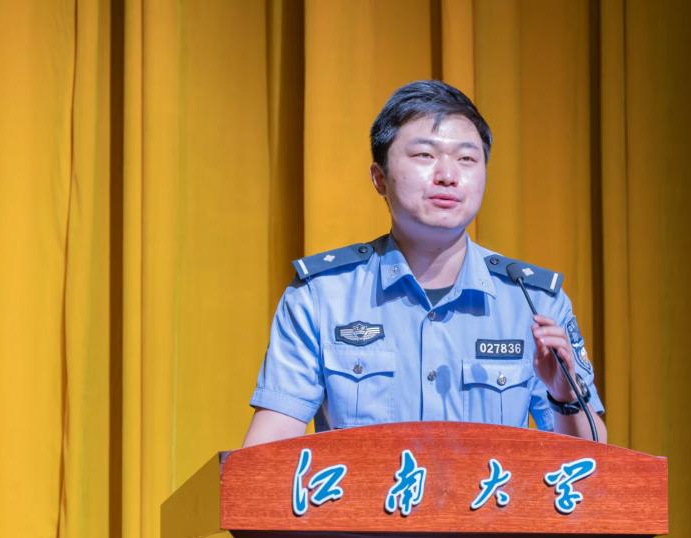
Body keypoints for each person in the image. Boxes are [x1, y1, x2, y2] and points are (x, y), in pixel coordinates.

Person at [243, 80, 607, 447]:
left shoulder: (533, 300)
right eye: (424, 155)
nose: (447, 175)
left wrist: (565, 396)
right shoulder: (322, 296)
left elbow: (593, 462)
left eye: (466, 159)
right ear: (379, 178)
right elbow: (266, 451)